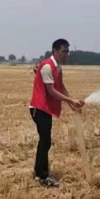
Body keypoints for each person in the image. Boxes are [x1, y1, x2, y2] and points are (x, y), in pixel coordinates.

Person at [29, 39, 84, 188]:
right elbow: (52, 91)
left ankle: (39, 171)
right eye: (64, 51)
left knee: (45, 141)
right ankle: (42, 176)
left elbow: (61, 87)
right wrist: (71, 100)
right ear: (55, 51)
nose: (66, 54)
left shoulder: (57, 67)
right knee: (45, 141)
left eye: (67, 52)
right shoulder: (47, 66)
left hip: (44, 109)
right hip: (38, 108)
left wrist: (72, 104)